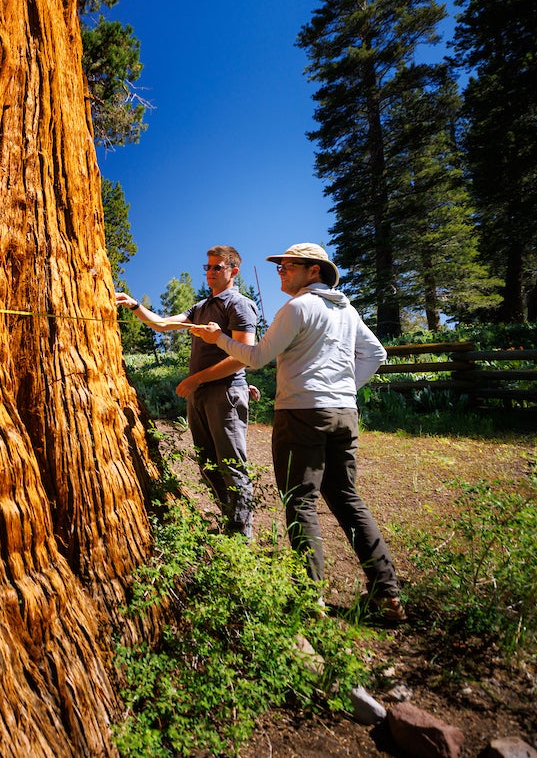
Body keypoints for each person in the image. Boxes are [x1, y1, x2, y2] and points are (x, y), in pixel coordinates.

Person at [190, 242, 404, 623]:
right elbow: (375, 355)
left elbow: (254, 357)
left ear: (314, 271)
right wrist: (343, 389)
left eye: (289, 266)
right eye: (280, 267)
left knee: (300, 500)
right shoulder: (346, 309)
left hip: (301, 413)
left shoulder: (298, 307)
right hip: (344, 414)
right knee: (345, 496)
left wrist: (217, 338)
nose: (282, 272)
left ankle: (310, 599)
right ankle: (386, 594)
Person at [117, 245, 260, 538]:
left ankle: (242, 538)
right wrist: (134, 305)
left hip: (225, 393)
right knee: (208, 465)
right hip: (201, 396)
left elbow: (244, 355)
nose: (209, 273)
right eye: (207, 268)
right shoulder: (200, 307)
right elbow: (161, 325)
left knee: (231, 466)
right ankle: (231, 526)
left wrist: (197, 379)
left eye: (216, 267)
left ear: (233, 271)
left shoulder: (238, 305)